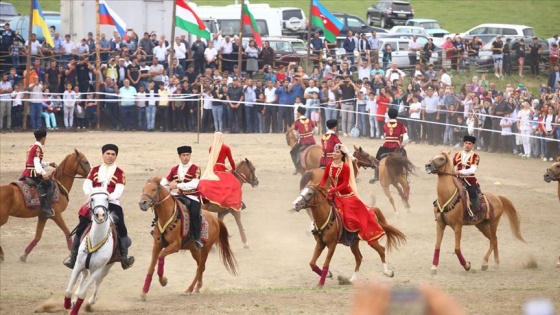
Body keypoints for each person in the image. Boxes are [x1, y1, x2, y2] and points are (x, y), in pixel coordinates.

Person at [64, 144, 135, 269]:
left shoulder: (120, 172)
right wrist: (93, 195)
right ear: (103, 155)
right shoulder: (94, 170)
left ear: (116, 156)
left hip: (112, 204)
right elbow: (87, 184)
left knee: (121, 227)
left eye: (113, 154)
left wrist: (108, 197)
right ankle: (73, 256)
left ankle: (124, 257)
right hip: (95, 203)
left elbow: (119, 190)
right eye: (108, 153)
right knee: (81, 227)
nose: (110, 156)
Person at [319, 144, 385, 245]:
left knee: (348, 215)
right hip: (333, 194)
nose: (334, 153)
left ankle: (352, 235)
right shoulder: (329, 166)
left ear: (341, 155)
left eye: (337, 152)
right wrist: (321, 188)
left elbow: (345, 184)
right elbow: (324, 178)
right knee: (320, 207)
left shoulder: (346, 168)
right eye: (334, 151)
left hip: (346, 195)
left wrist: (332, 190)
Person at [160, 146, 203, 249]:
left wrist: (177, 186)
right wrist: (160, 187)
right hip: (179, 195)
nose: (186, 157)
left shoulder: (196, 168)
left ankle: (197, 238)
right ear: (179, 156)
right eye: (183, 155)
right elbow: (166, 180)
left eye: (188, 155)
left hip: (193, 197)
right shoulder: (174, 169)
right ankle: (159, 229)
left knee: (194, 213)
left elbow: (194, 184)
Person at [20, 129, 57, 218]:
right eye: (45, 138)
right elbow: (37, 164)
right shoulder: (38, 148)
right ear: (43, 138)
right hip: (33, 173)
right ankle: (47, 208)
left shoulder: (32, 146)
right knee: (50, 185)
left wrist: (48, 163)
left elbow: (35, 162)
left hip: (27, 171)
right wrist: (43, 173)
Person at [372, 108, 408, 183]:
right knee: (404, 160)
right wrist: (402, 145)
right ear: (397, 115)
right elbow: (406, 138)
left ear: (388, 115)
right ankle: (406, 176)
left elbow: (385, 136)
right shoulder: (401, 125)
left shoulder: (385, 125)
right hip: (396, 147)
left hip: (386, 147)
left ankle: (376, 175)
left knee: (377, 159)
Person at [452, 135, 481, 221]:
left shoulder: (476, 156)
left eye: (470, 144)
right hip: (457, 179)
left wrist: (459, 172)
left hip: (470, 180)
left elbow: (472, 170)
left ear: (473, 145)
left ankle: (475, 211)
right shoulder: (457, 154)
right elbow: (452, 166)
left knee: (472, 192)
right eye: (466, 143)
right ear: (463, 144)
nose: (467, 145)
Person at [290, 106, 316, 175]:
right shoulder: (309, 120)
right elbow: (316, 129)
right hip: (312, 140)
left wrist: (299, 136)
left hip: (303, 141)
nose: (296, 113)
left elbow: (295, 133)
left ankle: (297, 168)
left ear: (299, 113)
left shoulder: (297, 122)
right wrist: (311, 134)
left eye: (297, 112)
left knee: (293, 152)